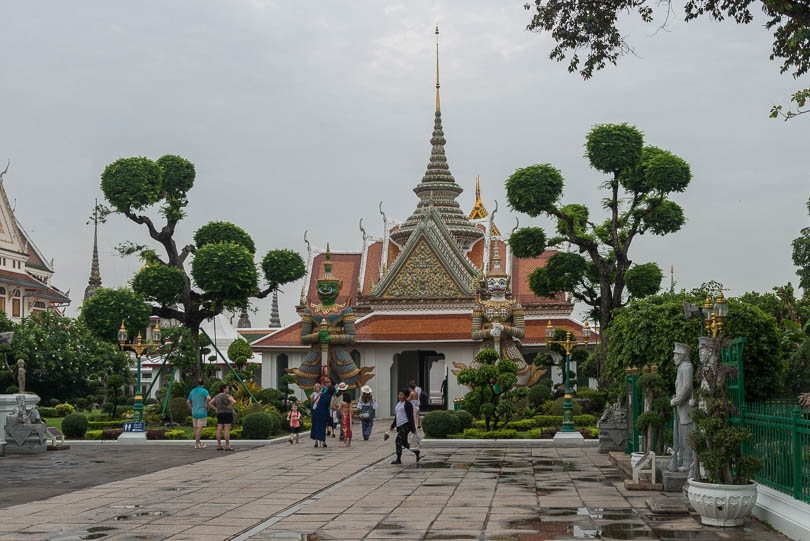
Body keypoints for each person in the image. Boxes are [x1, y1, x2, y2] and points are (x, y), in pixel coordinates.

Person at [387, 389, 421, 464]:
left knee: (398, 440)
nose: (400, 396)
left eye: (402, 395)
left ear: (406, 396)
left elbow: (410, 417)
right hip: (399, 425)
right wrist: (393, 425)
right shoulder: (398, 404)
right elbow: (397, 416)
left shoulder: (408, 404)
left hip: (406, 425)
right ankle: (416, 452)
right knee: (404, 443)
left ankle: (398, 459)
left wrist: (413, 429)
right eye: (399, 394)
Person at [208, 383, 237, 452]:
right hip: (227, 413)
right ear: (224, 389)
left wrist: (216, 409)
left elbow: (210, 403)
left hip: (219, 413)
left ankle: (219, 445)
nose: (228, 389)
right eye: (227, 388)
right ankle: (227, 446)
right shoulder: (227, 395)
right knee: (227, 430)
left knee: (219, 429)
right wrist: (230, 406)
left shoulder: (217, 396)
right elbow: (234, 401)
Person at [186, 378, 211, 449]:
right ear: (203, 384)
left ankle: (198, 442)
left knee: (196, 428)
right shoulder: (204, 391)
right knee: (199, 428)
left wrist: (191, 409)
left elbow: (188, 402)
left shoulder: (192, 391)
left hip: (194, 412)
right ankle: (197, 444)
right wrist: (207, 405)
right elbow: (209, 398)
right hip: (202, 412)